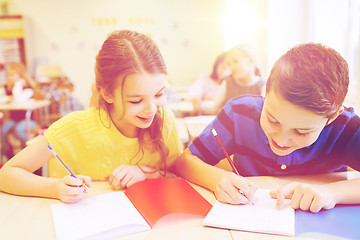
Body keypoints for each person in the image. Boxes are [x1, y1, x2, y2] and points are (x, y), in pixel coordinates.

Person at [173, 43, 360, 213]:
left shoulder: (345, 127)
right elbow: (184, 161)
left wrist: (332, 192)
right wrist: (216, 179)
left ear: (332, 117)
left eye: (301, 132)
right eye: (273, 120)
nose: (281, 139)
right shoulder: (239, 113)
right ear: (265, 92)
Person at [0, 30, 183, 203]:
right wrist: (55, 188)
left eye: (159, 94)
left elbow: (179, 174)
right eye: (136, 101)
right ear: (107, 94)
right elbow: (6, 174)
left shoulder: (165, 120)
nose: (151, 109)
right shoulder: (75, 127)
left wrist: (146, 173)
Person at [197, 45, 265, 115]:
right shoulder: (227, 84)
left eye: (235, 61)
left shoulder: (262, 86)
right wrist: (199, 105)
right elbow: (214, 108)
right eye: (229, 64)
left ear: (250, 61)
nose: (232, 67)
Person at [2, 62, 43, 159]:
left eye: (12, 75)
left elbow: (19, 99)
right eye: (8, 75)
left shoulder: (28, 88)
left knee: (19, 129)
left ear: (20, 75)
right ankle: (7, 154)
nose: (9, 77)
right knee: (4, 129)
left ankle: (30, 152)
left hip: (29, 120)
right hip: (14, 120)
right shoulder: (8, 88)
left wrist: (18, 84)